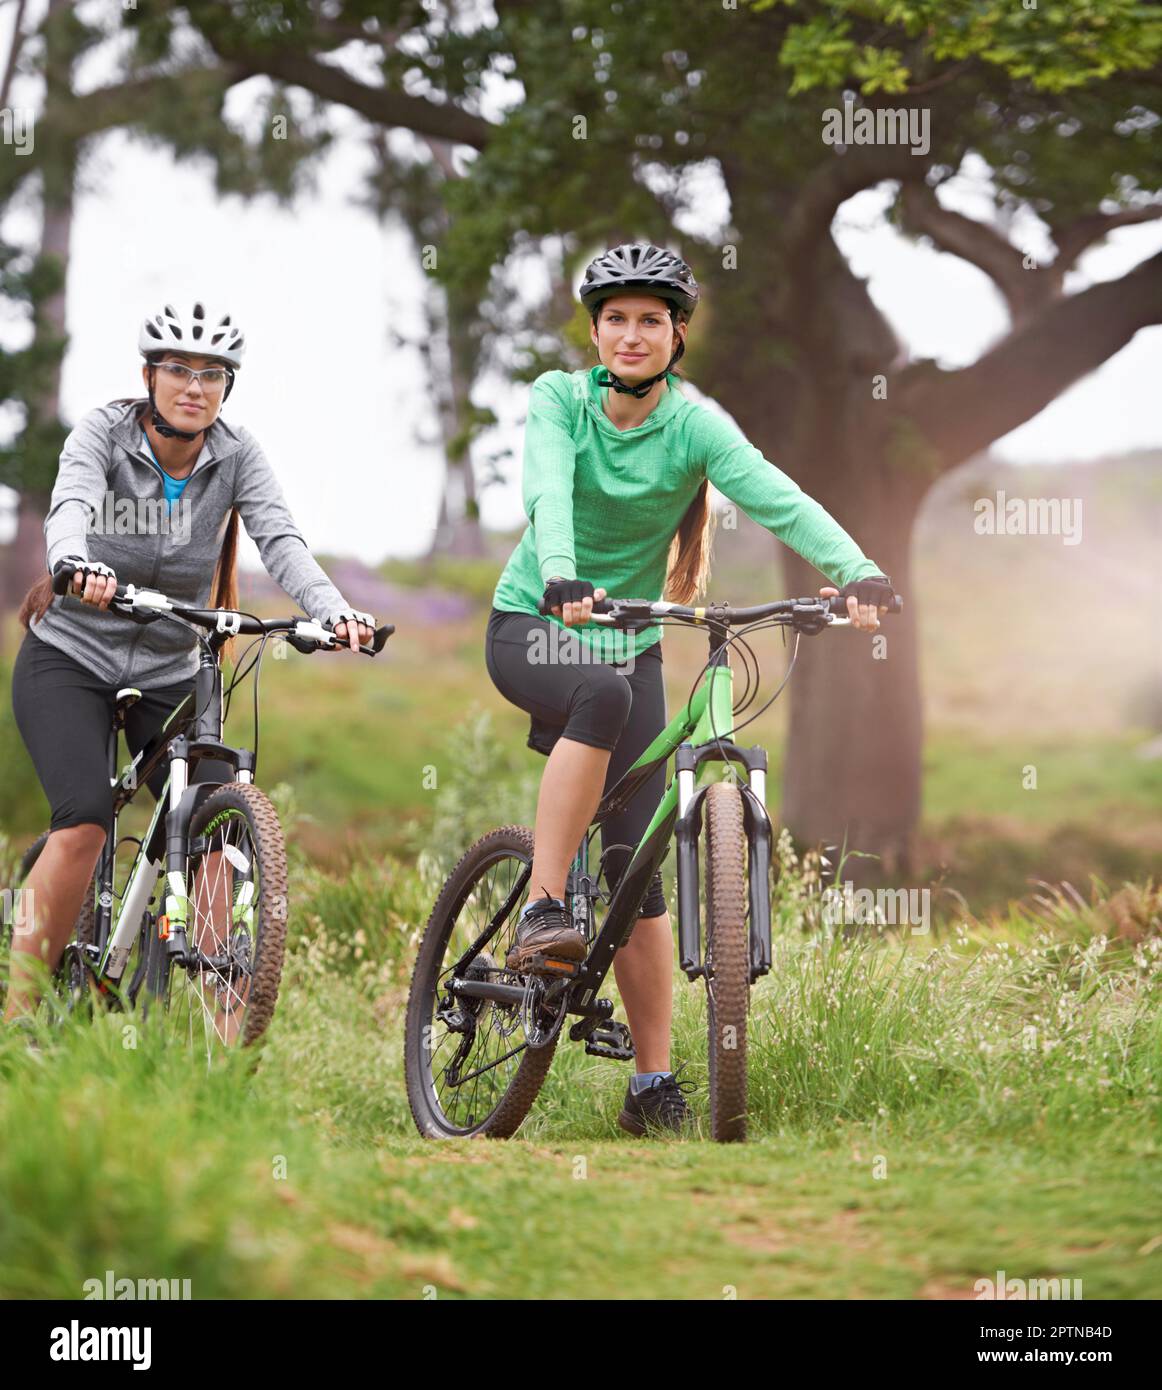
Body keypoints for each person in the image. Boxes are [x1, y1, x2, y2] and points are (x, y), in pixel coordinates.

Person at [484, 244, 895, 1136]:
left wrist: (857, 573)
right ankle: (545, 905)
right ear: (595, 331)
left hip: (627, 637)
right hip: (533, 622)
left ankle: (652, 1085)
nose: (634, 334)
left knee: (639, 869)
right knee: (600, 695)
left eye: (652, 320)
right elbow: (546, 489)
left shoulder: (697, 425)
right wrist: (561, 574)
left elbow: (777, 496)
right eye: (618, 318)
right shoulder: (559, 400)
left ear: (677, 336)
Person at [4, 300, 376, 1022]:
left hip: (172, 671)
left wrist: (334, 612)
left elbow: (282, 541)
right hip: (71, 658)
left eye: (212, 374)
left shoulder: (237, 455)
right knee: (82, 821)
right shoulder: (101, 436)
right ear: (149, 375)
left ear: (226, 388)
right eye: (178, 370)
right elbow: (71, 504)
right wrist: (72, 562)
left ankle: (221, 1009)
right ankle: (15, 1027)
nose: (194, 386)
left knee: (211, 818)